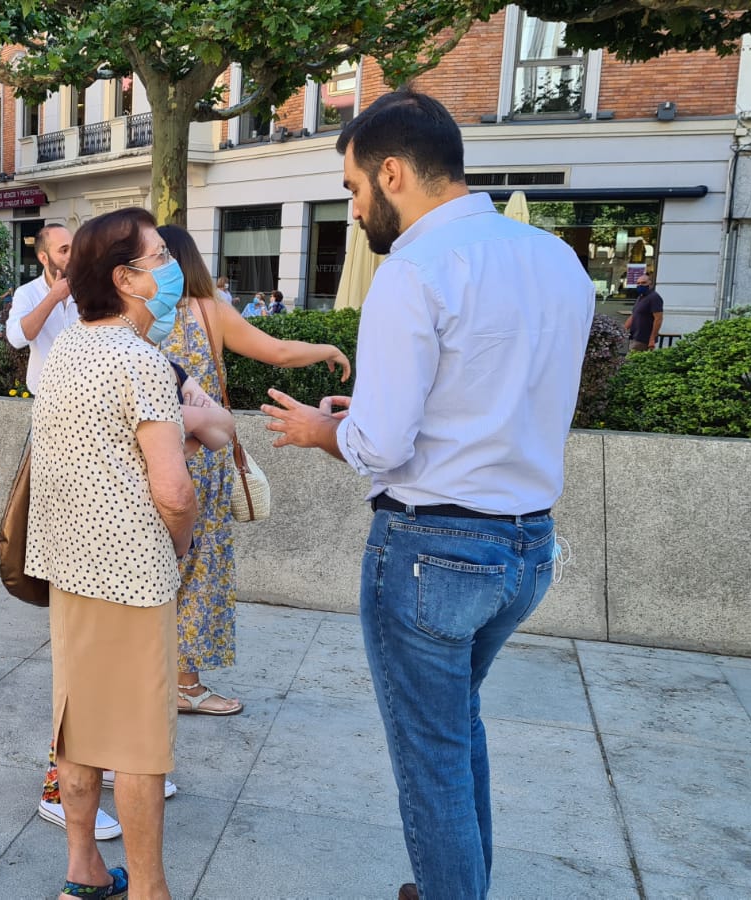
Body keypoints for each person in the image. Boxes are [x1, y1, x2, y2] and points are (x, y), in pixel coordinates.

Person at [261, 91, 592, 899]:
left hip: (431, 553)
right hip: (526, 546)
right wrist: (363, 414)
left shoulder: (411, 270)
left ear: (394, 172)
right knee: (455, 729)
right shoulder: (556, 259)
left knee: (431, 753)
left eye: (352, 188)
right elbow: (499, 398)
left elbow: (380, 446)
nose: (354, 207)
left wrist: (320, 431)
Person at [26, 207, 202, 900]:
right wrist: (179, 551)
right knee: (137, 744)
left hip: (70, 563)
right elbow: (176, 491)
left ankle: (83, 868)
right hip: (132, 569)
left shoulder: (67, 348)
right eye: (159, 257)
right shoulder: (142, 361)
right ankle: (150, 890)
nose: (170, 269)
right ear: (125, 278)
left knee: (77, 721)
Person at [157, 224, 350, 717]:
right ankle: (185, 685)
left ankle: (147, 678)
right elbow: (279, 352)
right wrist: (327, 350)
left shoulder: (136, 319)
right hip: (204, 455)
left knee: (153, 566)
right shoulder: (209, 309)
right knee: (200, 567)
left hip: (150, 455)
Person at [5, 223, 75, 393]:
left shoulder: (91, 289)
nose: (73, 256)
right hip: (45, 395)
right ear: (43, 258)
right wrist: (53, 297)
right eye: (64, 250)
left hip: (86, 395)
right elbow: (16, 338)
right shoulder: (27, 293)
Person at [625, 273, 663, 351]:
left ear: (650, 284)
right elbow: (634, 315)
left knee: (632, 361)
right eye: (638, 283)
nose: (640, 285)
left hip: (644, 339)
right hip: (635, 336)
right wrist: (623, 330)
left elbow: (658, 319)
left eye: (643, 283)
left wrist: (652, 339)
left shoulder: (654, 297)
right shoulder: (640, 297)